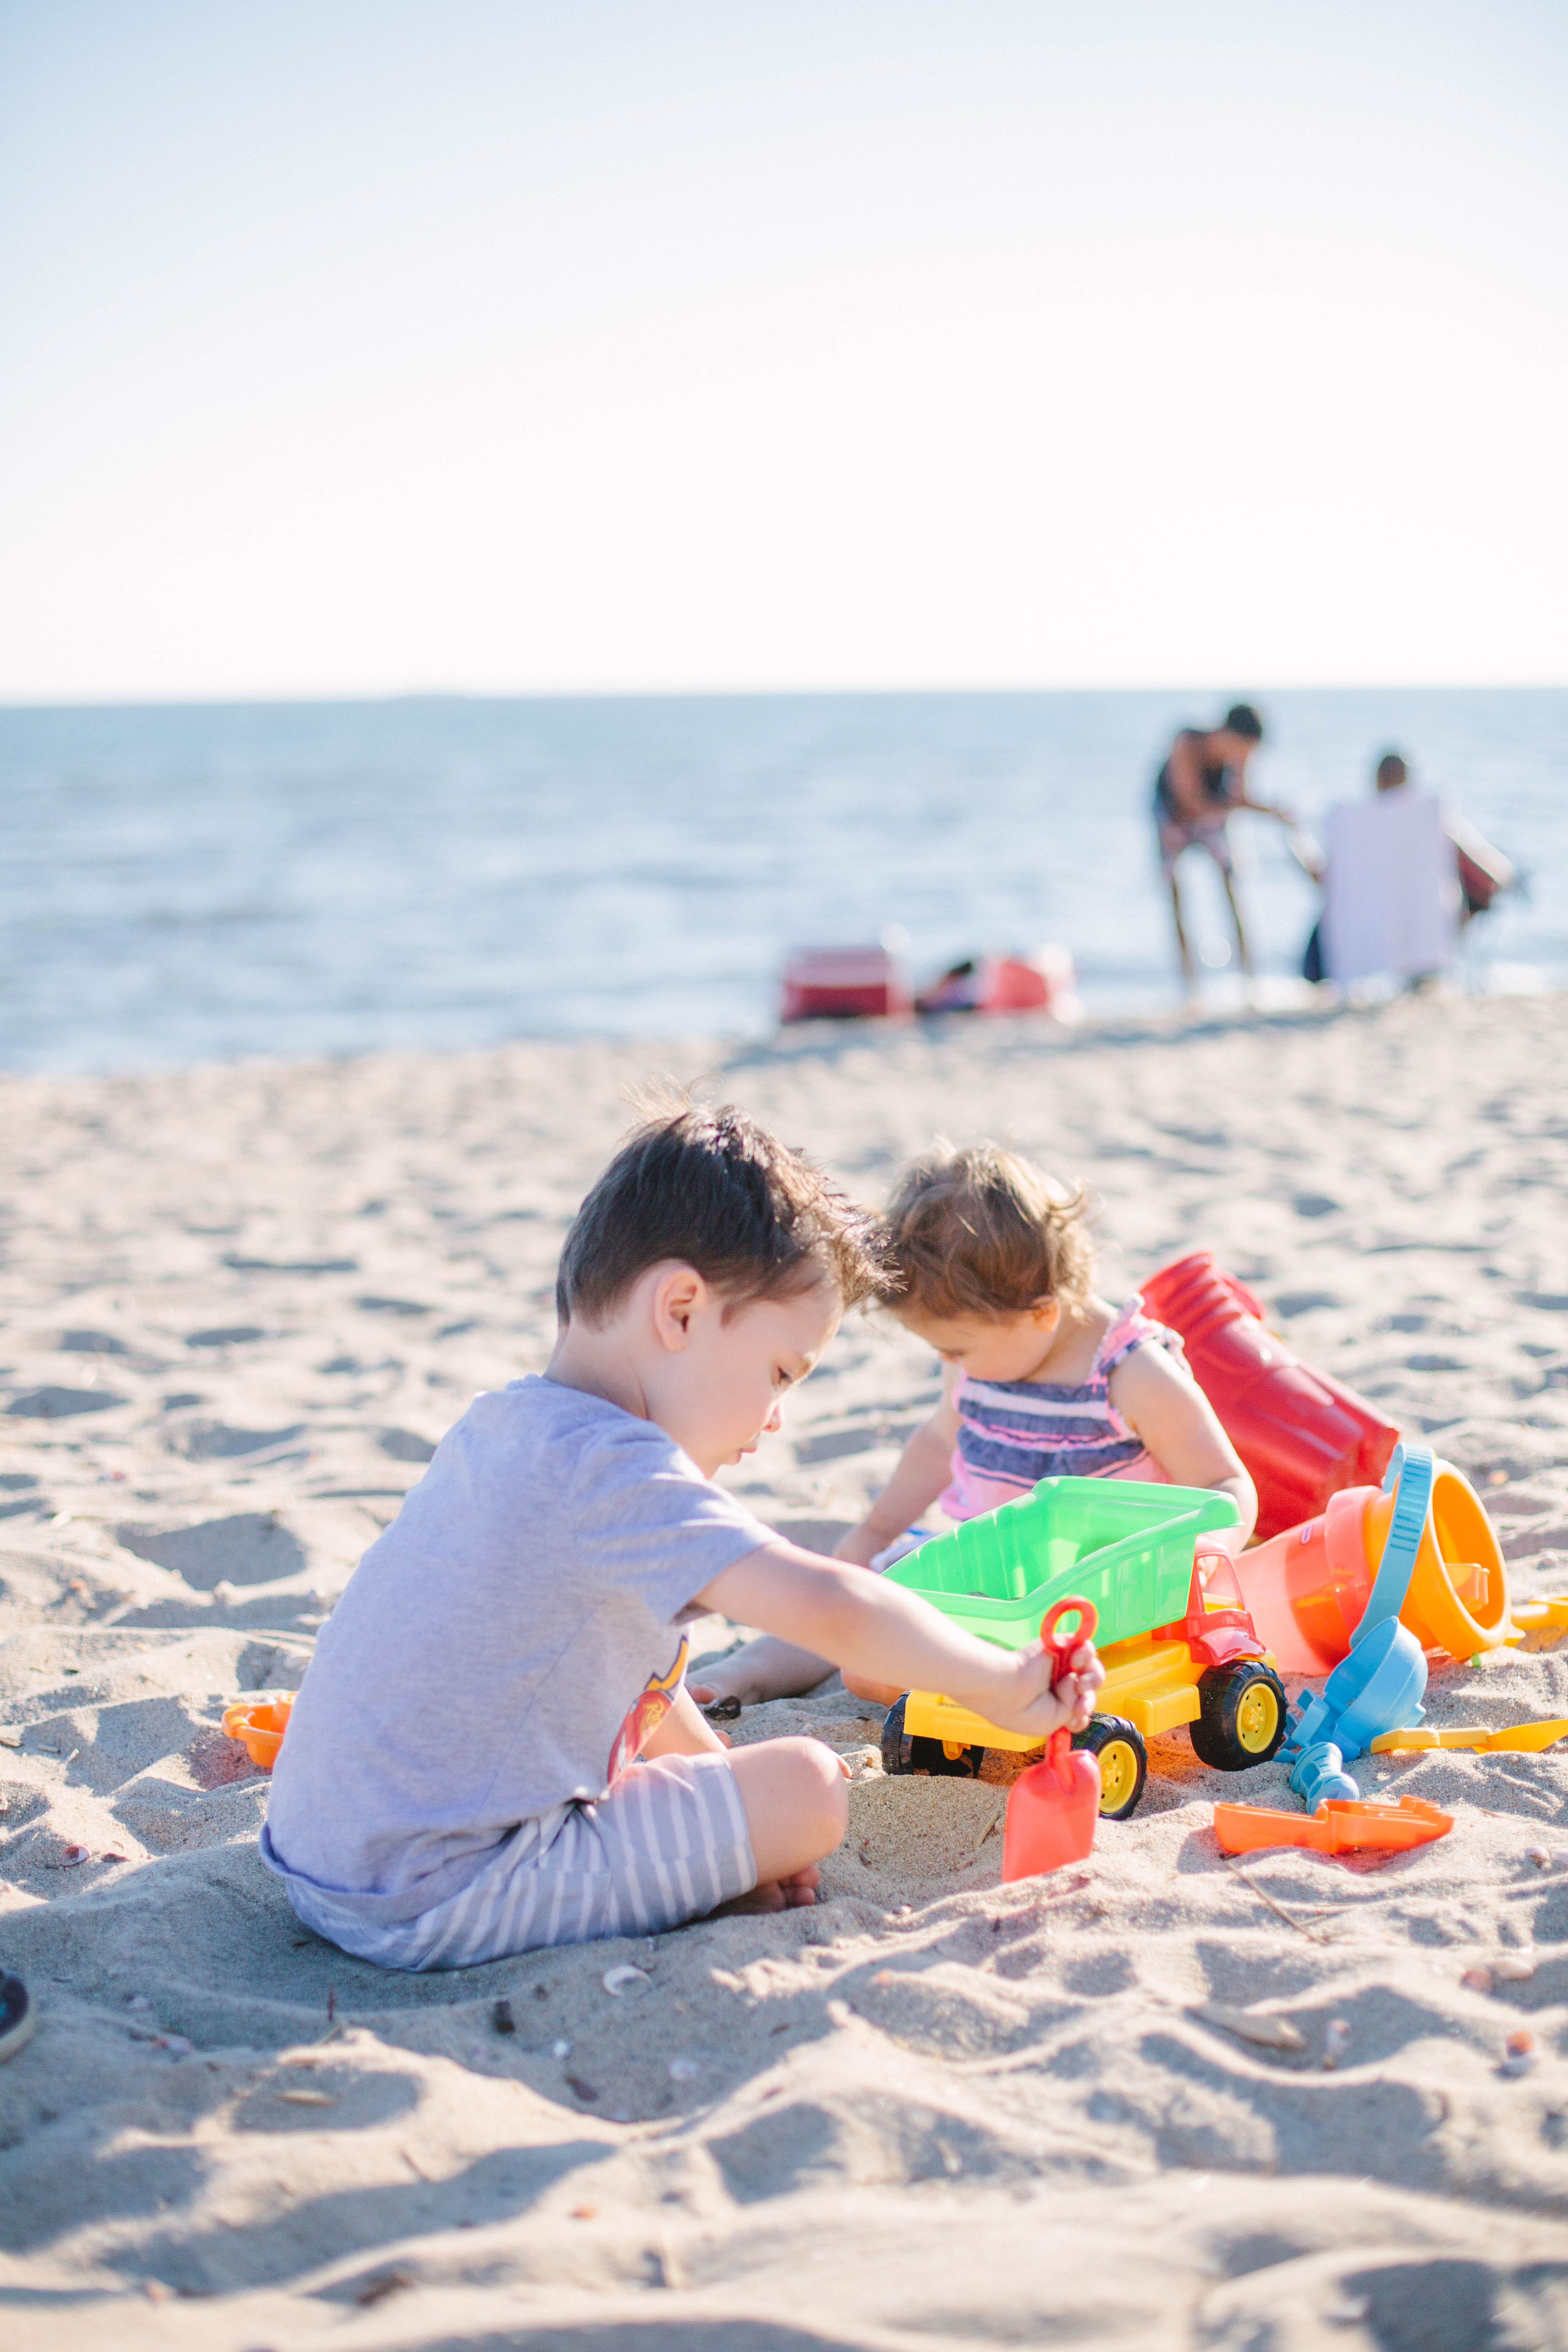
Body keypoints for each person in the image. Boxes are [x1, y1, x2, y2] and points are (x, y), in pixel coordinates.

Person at [260, 1104, 1102, 1968]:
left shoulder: (503, 1425)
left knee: (751, 1795)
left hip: (322, 1855)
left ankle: (711, 1861)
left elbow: (642, 1681)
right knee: (810, 1790)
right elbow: (833, 1609)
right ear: (682, 1310)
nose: (776, 1419)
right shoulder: (620, 1476)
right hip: (439, 1893)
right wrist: (999, 1682)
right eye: (780, 1374)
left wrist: (722, 1810)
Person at [692, 1143, 1252, 1712]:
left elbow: (1226, 1487)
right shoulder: (982, 1358)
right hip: (985, 1572)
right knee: (857, 1596)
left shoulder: (1132, 1374)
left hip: (1105, 1597)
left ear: (1042, 1314)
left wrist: (1198, 1554)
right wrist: (876, 1532)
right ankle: (752, 1670)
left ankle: (931, 1676)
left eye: (956, 1348)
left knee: (917, 1646)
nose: (950, 1362)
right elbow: (939, 1442)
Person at [1301, 750, 1516, 983]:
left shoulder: (1357, 826)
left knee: (1316, 957)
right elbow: (1488, 872)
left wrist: (1295, 839)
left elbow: (1323, 878)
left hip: (1367, 931)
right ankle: (1424, 978)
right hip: (1424, 930)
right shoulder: (1427, 819)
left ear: (1377, 781)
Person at [1153, 703, 1295, 994]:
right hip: (1173, 816)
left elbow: (1240, 797)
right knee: (1177, 898)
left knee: (1234, 889)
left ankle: (1249, 982)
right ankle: (1190, 986)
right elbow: (1192, 802)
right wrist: (1239, 808)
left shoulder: (1240, 756)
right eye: (1244, 749)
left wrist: (1272, 812)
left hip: (1213, 815)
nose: (1245, 758)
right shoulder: (1187, 744)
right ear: (1227, 734)